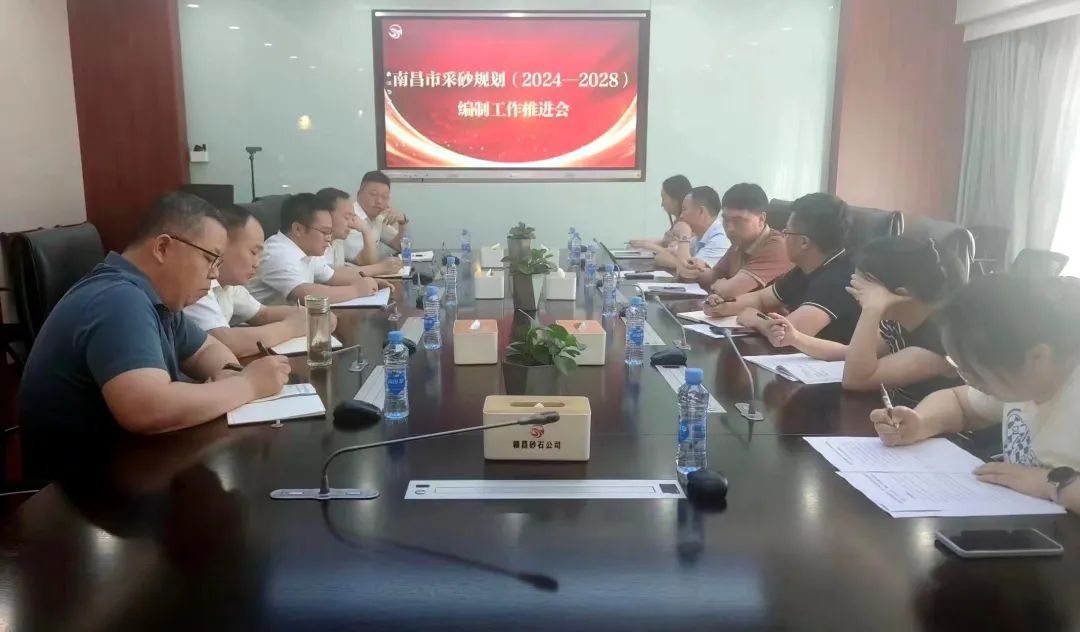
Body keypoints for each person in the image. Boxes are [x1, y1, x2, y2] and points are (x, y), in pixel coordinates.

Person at [19, 192, 291, 475]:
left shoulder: (157, 300)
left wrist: (228, 374)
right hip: (81, 485)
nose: (213, 275)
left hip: (132, 464)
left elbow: (206, 349)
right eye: (209, 258)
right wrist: (248, 385)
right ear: (162, 247)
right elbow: (148, 408)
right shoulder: (118, 299)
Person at [871, 275, 1080, 513]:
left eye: (979, 374)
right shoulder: (1026, 381)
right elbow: (959, 403)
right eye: (961, 367)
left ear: (1037, 358)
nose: (968, 380)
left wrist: (1051, 484)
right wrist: (920, 423)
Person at [184, 204, 339, 357]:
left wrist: (312, 316)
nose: (257, 263)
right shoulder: (196, 284)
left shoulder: (231, 286)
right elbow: (223, 341)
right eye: (253, 252)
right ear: (221, 246)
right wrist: (290, 327)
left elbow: (262, 313)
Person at [703, 192, 859, 344]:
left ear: (804, 242)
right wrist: (722, 307)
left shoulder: (840, 278)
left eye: (787, 232)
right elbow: (760, 299)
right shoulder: (805, 268)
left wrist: (757, 321)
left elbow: (789, 334)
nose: (783, 237)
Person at [247, 193, 383, 306]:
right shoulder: (277, 252)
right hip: (252, 325)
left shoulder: (307, 250)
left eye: (330, 232)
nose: (329, 239)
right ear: (298, 229)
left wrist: (369, 282)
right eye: (324, 232)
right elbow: (305, 294)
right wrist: (357, 290)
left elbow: (333, 276)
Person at [678, 183, 791, 296]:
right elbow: (713, 276)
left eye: (738, 221)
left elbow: (728, 291)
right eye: (726, 220)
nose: (730, 228)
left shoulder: (776, 246)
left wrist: (722, 285)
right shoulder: (739, 243)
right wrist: (696, 270)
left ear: (761, 219)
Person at [316, 187, 403, 277]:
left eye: (352, 218)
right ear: (326, 215)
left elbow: (352, 267)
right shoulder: (315, 242)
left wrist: (366, 230)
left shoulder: (337, 240)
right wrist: (381, 268)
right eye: (346, 218)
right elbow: (329, 275)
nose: (351, 224)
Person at [344, 170, 409, 264]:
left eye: (384, 196)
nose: (379, 201)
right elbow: (365, 262)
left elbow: (401, 246)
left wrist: (403, 222)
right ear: (359, 194)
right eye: (373, 194)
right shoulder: (350, 219)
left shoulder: (378, 218)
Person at [629, 174, 694, 266]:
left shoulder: (686, 226)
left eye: (664, 198)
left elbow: (676, 255)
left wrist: (647, 245)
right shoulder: (678, 222)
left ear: (676, 199)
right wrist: (641, 243)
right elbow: (666, 243)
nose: (662, 204)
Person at [672, 186, 731, 275]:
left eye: (684, 209)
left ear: (701, 211)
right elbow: (663, 256)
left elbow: (686, 273)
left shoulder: (720, 240)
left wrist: (684, 236)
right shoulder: (700, 236)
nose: (681, 216)